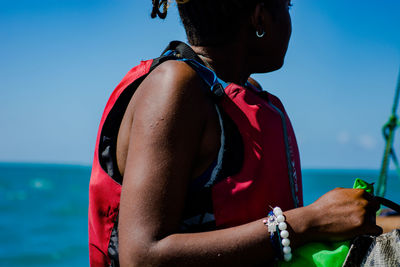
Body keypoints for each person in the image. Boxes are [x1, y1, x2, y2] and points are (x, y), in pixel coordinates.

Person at [88, 0, 384, 266]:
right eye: (288, 6)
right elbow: (141, 256)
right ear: (259, 17)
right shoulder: (174, 87)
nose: (290, 18)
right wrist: (311, 221)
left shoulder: (238, 95)